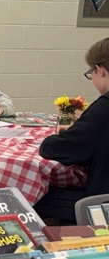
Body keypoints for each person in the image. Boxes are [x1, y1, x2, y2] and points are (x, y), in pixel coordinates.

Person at [36, 39, 109, 224]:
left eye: (91, 72)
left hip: (102, 205)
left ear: (100, 70)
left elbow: (55, 149)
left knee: (28, 194)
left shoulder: (102, 109)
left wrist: (67, 134)